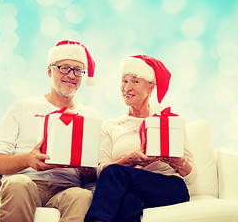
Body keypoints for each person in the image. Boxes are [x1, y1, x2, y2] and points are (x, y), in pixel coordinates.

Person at [0, 40, 100, 222]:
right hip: (26, 182)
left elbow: (89, 176)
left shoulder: (90, 115)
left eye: (78, 70)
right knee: (18, 184)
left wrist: (87, 170)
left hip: (66, 189)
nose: (71, 75)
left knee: (83, 196)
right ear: (50, 70)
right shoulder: (22, 107)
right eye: (64, 68)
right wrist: (28, 160)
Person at [84, 55, 197, 222]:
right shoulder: (111, 126)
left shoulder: (166, 120)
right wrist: (130, 160)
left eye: (135, 81)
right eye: (124, 81)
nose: (127, 87)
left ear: (151, 87)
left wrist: (178, 162)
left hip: (168, 188)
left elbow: (192, 175)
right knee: (129, 201)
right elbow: (101, 172)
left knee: (114, 172)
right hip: (129, 188)